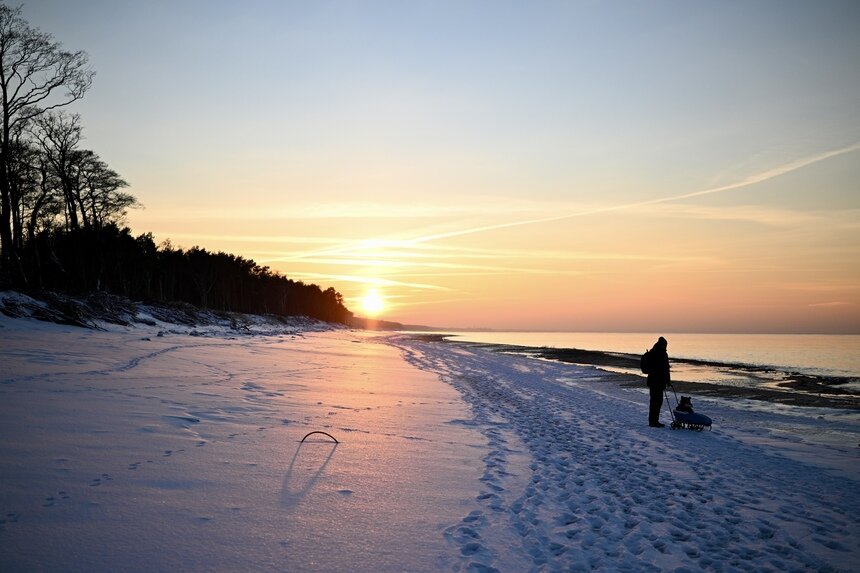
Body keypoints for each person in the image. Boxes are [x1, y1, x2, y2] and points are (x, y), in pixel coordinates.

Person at [647, 336, 671, 427]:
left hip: (657, 382)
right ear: (662, 344)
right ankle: (653, 422)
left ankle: (653, 421)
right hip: (656, 382)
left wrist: (667, 381)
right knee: (655, 402)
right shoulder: (658, 353)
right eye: (665, 345)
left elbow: (666, 369)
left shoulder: (656, 352)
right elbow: (664, 369)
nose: (666, 346)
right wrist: (667, 380)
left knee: (656, 402)